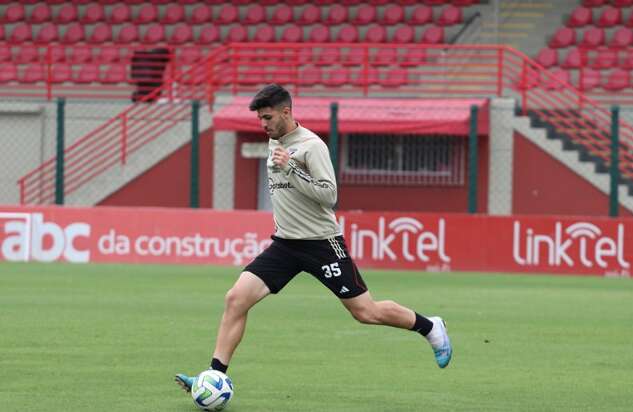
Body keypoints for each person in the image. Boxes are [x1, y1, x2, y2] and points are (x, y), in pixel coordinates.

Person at [175, 84, 452, 392]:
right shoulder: (274, 141)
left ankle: (431, 327)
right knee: (235, 299)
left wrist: (291, 168)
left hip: (321, 243)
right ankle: (214, 377)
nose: (263, 125)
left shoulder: (311, 145)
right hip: (285, 244)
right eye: (259, 119)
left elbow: (329, 195)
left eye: (267, 117)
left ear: (286, 112)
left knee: (365, 312)